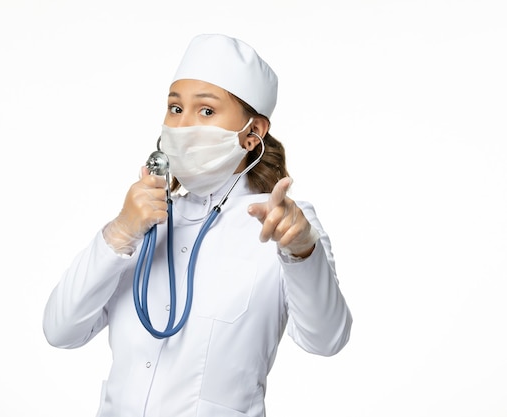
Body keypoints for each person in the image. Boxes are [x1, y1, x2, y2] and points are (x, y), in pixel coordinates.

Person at [43, 33, 352, 417]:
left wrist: (302, 251)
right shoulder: (145, 221)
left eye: (206, 111)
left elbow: (326, 339)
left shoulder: (283, 223)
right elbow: (60, 330)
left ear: (253, 133)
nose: (184, 125)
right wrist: (120, 231)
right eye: (175, 109)